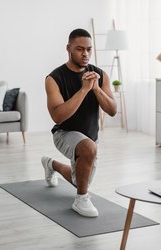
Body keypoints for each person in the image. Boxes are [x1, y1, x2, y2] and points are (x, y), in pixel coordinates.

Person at [42, 28, 117, 217]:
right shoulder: (54, 78)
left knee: (80, 179)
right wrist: (83, 90)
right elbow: (58, 116)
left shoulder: (100, 75)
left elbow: (112, 110)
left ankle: (52, 165)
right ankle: (81, 199)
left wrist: (96, 90)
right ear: (68, 48)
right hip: (64, 133)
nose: (85, 54)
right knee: (89, 150)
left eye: (89, 49)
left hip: (90, 137)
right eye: (79, 49)